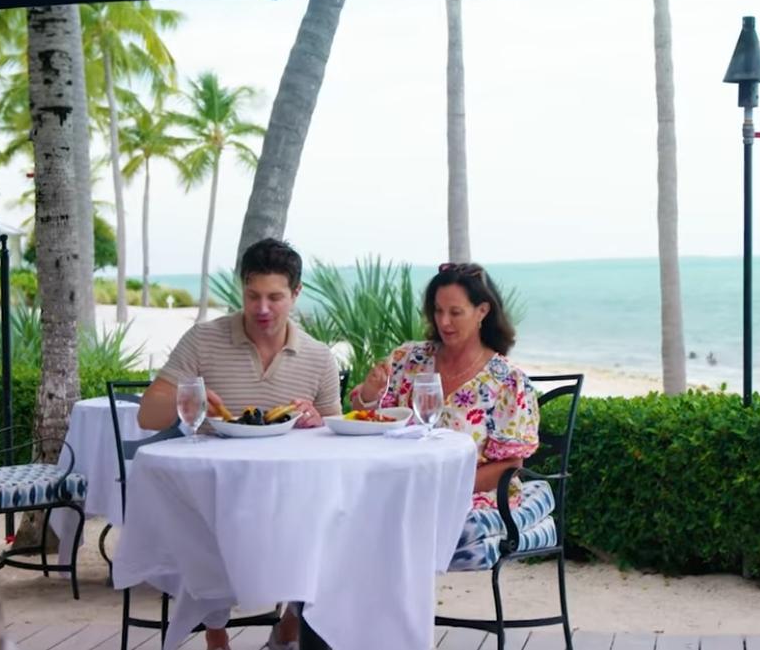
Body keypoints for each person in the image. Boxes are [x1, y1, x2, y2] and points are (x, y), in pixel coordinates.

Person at [138, 238, 340, 650]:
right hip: (215, 492)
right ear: (241, 290)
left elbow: (337, 435)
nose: (262, 309)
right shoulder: (203, 340)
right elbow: (147, 415)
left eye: (275, 297)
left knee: (331, 524)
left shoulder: (319, 357)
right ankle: (216, 633)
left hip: (290, 494)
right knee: (197, 525)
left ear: (296, 294)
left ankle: (291, 619)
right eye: (253, 296)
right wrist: (186, 398)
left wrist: (321, 420)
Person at [350, 262, 540, 514]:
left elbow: (510, 464)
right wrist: (369, 393)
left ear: (482, 311)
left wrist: (442, 487)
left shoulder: (507, 381)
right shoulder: (408, 359)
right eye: (438, 311)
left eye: (455, 312)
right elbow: (367, 416)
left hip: (472, 495)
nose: (444, 321)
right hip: (401, 486)